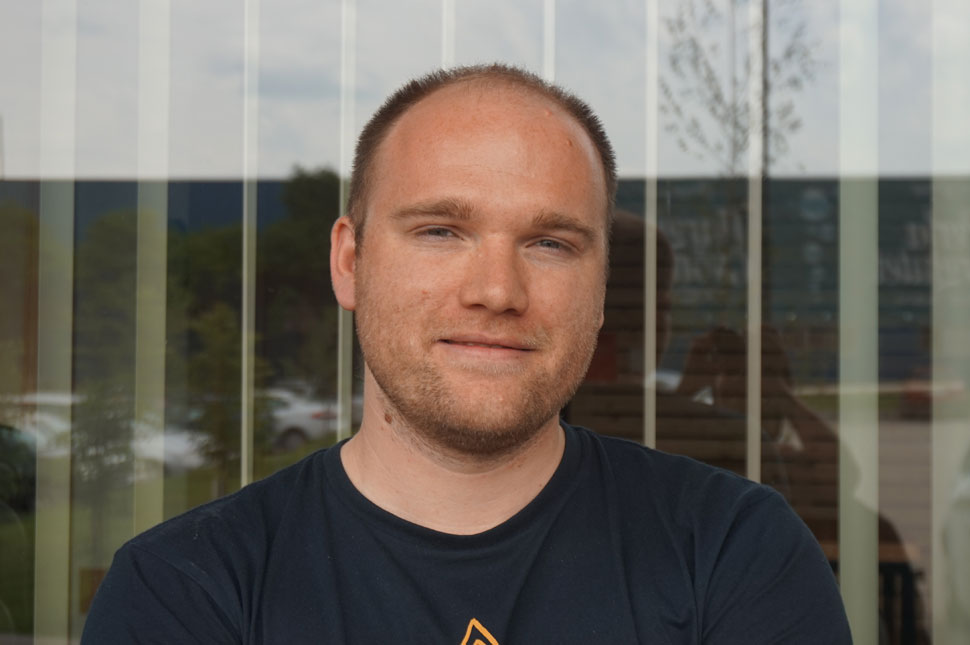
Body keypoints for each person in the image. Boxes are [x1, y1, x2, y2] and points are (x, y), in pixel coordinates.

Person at [83, 63, 851, 643]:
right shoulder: (184, 590)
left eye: (550, 243)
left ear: (600, 290)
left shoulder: (733, 552)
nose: (496, 290)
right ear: (349, 262)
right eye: (441, 231)